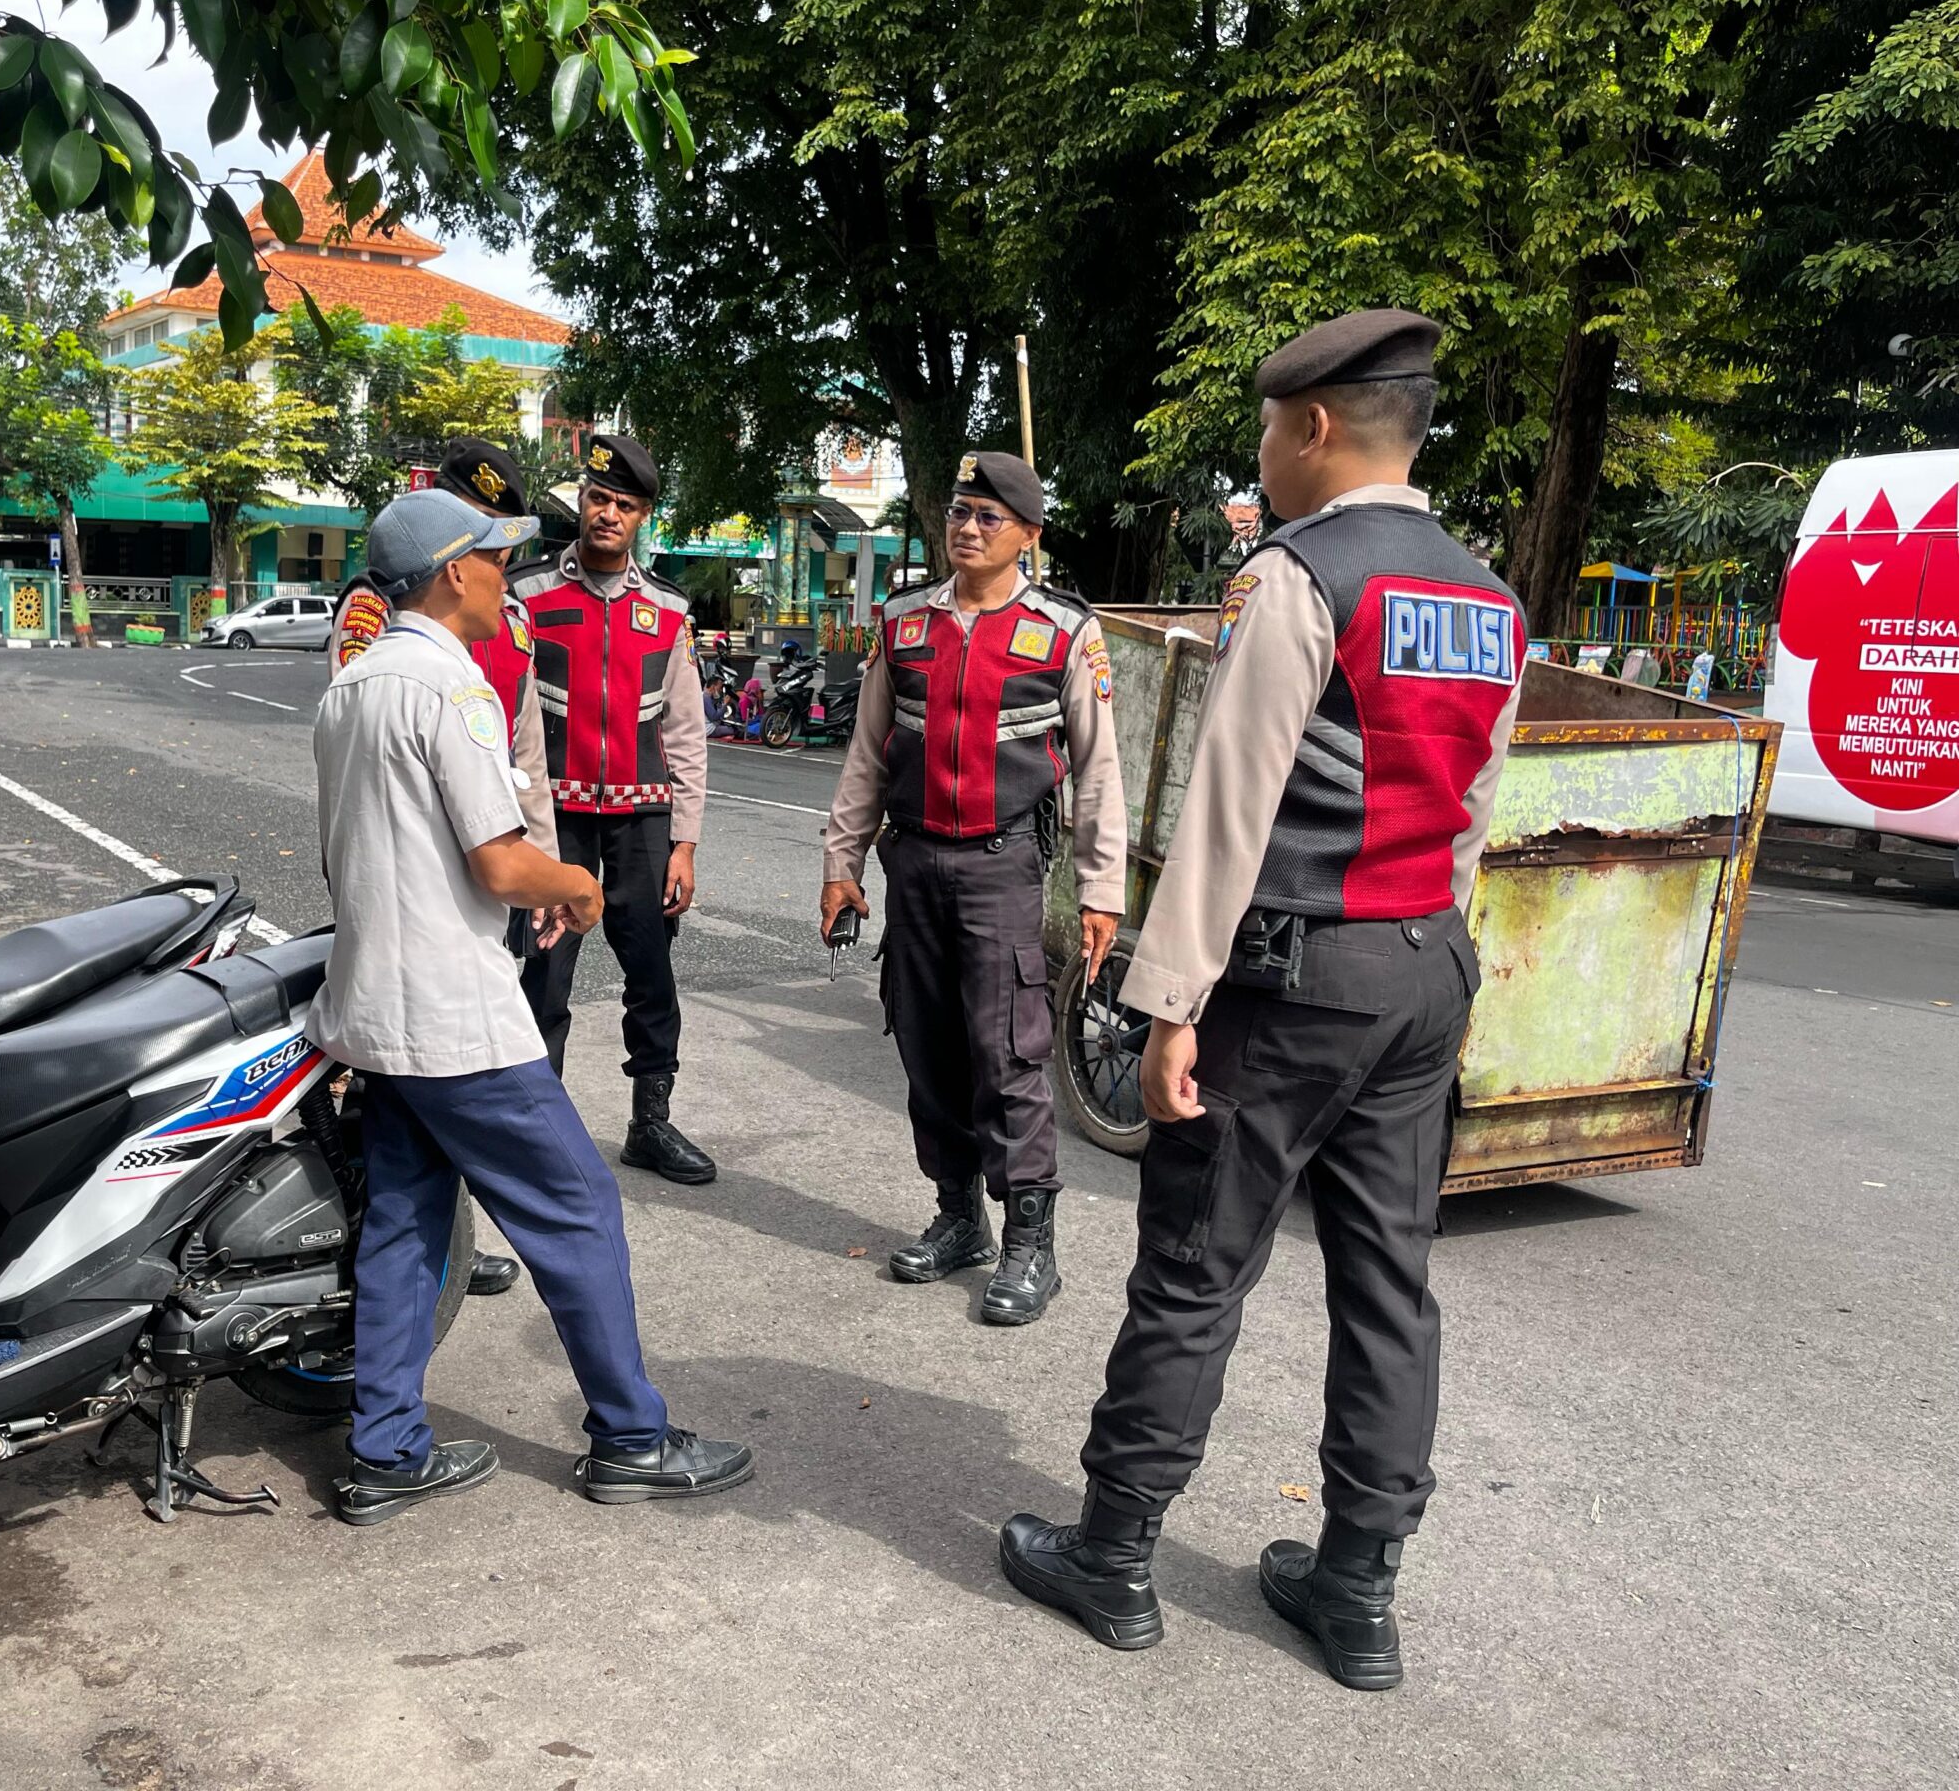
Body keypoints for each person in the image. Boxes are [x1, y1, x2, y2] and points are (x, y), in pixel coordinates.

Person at [998, 309, 1527, 1691]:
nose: (1261, 456)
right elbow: (1470, 810)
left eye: (1263, 431)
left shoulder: (1300, 578)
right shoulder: (1489, 594)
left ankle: (1112, 1556)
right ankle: (1358, 1591)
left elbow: (1228, 810)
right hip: (1422, 964)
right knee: (1390, 1283)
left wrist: (1169, 1005)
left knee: (1194, 1267)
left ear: (1310, 427)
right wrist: (1427, 940)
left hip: (1292, 977)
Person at [308, 488, 754, 1525]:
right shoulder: (447, 687)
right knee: (578, 1211)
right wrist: (579, 888)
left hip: (375, 1004)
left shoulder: (353, 683)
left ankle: (384, 1450)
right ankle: (631, 1438)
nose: (504, 575)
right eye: (492, 560)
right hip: (453, 1015)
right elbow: (501, 862)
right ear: (454, 573)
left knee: (407, 1221)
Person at [819, 451, 1126, 1326]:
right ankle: (960, 1216)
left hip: (1003, 867)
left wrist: (1102, 890)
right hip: (912, 862)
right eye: (959, 512)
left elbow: (1099, 772)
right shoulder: (905, 624)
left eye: (990, 517)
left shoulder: (1066, 633)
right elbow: (867, 754)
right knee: (926, 1044)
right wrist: (842, 864)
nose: (967, 528)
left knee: (1010, 1054)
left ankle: (1033, 1242)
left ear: (1028, 535)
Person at [329, 438, 547, 1298]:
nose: (499, 557)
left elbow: (525, 754)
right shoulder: (378, 619)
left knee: (432, 1139)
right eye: (483, 537)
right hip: (424, 899)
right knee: (420, 1099)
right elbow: (378, 770)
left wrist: (544, 868)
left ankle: (448, 1239)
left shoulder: (513, 619)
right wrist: (550, 877)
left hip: (493, 878)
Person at [511, 434, 716, 1184]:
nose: (607, 514)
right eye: (598, 498)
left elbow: (686, 732)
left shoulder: (667, 610)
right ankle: (540, 1138)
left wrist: (685, 843)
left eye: (624, 505)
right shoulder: (528, 596)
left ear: (643, 516)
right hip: (553, 821)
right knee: (544, 976)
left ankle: (650, 1124)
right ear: (582, 499)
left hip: (643, 822)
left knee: (653, 976)